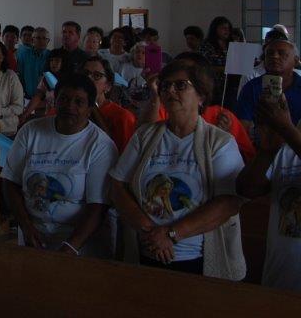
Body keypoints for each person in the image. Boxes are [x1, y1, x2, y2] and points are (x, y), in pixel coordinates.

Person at [109, 61, 246, 278]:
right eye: (165, 86)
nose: (170, 91)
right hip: (146, 250)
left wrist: (171, 234)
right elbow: (117, 185)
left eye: (181, 85)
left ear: (201, 96)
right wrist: (150, 232)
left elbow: (228, 202)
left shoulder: (219, 142)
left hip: (196, 258)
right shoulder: (145, 136)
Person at [3, 72, 117, 258]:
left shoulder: (100, 146)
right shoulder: (31, 131)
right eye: (63, 99)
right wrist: (26, 227)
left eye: (79, 102)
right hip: (34, 235)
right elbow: (10, 182)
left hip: (80, 243)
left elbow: (98, 206)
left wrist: (70, 247)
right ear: (55, 101)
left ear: (89, 109)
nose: (69, 106)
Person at [236, 87, 301, 291]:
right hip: (280, 283)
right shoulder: (288, 150)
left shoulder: (292, 138)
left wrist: (286, 129)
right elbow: (247, 189)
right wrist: (267, 150)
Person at [238, 38, 301, 131]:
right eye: (270, 53)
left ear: (296, 60)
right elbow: (242, 128)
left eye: (282, 53)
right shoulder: (251, 87)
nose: (275, 56)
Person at [83, 56, 135, 153]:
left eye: (97, 76)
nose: (88, 79)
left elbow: (126, 156)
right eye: (85, 74)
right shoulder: (69, 109)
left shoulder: (122, 117)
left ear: (108, 86)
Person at [20, 49, 65, 124]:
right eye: (51, 60)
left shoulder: (68, 80)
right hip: (48, 118)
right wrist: (25, 114)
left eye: (57, 60)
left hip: (63, 118)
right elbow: (38, 96)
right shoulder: (47, 77)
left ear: (63, 62)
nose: (53, 63)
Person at [199, 16, 233, 94]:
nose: (227, 31)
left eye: (228, 28)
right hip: (212, 84)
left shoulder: (231, 45)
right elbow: (204, 66)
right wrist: (225, 69)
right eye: (223, 28)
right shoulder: (206, 45)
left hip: (231, 84)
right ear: (215, 29)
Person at [16, 27, 50, 99]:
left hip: (46, 99)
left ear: (48, 41)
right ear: (32, 40)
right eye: (38, 38)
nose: (41, 41)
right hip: (27, 97)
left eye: (44, 38)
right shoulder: (24, 55)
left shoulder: (51, 56)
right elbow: (20, 76)